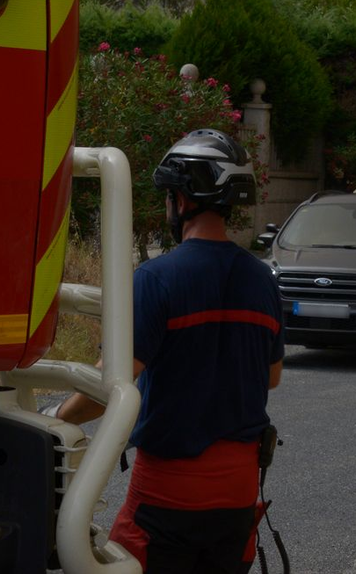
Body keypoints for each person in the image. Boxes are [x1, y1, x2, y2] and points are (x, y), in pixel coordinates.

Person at [55, 131, 283, 574]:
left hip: (167, 496)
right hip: (237, 497)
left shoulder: (156, 279)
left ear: (181, 201)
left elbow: (109, 387)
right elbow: (271, 377)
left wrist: (57, 418)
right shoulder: (263, 281)